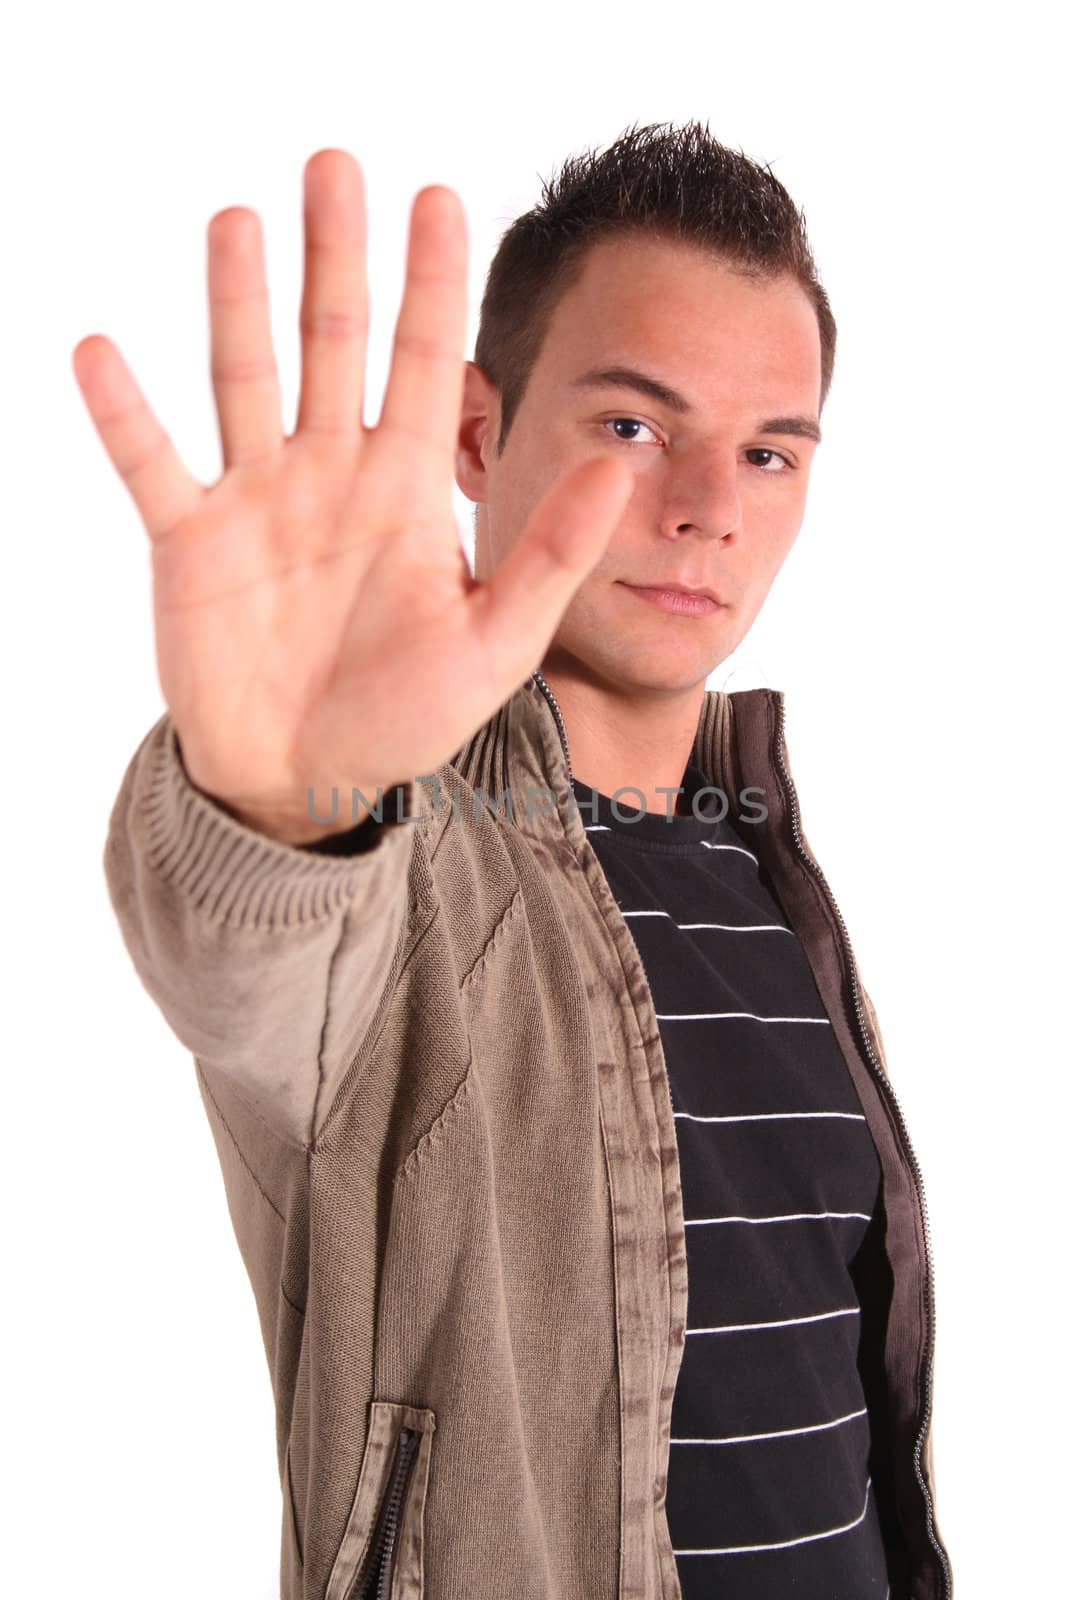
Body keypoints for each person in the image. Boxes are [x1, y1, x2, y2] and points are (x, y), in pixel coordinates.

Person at [75, 121, 952, 1599]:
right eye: (631, 426)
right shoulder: (406, 869)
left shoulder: (768, 872)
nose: (706, 509)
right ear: (478, 438)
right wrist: (290, 788)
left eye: (767, 451)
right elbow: (251, 950)